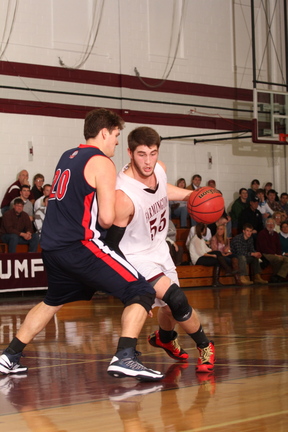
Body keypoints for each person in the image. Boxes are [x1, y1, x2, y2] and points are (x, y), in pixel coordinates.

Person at [0, 109, 163, 382]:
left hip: (52, 247)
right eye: (115, 135)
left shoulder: (68, 156)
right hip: (79, 246)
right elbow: (107, 219)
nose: (116, 142)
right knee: (141, 290)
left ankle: (9, 356)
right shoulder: (102, 163)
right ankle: (125, 356)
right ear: (104, 133)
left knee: (52, 301)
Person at [108, 126, 215, 373]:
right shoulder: (123, 195)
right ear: (130, 152)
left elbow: (163, 191)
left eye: (153, 153)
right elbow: (112, 246)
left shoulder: (159, 168)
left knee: (169, 309)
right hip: (134, 257)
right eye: (142, 154)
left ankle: (164, 338)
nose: (148, 161)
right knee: (177, 298)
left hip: (159, 250)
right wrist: (132, 287)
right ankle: (206, 346)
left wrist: (194, 196)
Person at [189, 223, 237, 287]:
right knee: (217, 259)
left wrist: (215, 252)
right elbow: (201, 253)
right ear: (203, 230)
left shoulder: (200, 238)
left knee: (218, 253)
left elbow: (206, 249)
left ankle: (225, 272)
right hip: (198, 259)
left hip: (202, 256)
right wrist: (213, 255)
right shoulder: (196, 239)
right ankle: (223, 274)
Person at [256, 218, 288, 283]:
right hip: (265, 253)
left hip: (274, 254)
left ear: (274, 225)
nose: (270, 225)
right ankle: (276, 276)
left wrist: (279, 254)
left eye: (272, 224)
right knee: (278, 259)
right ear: (266, 225)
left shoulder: (275, 234)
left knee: (286, 260)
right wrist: (275, 254)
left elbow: (278, 246)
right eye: (269, 224)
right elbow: (264, 248)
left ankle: (278, 276)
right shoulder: (262, 233)